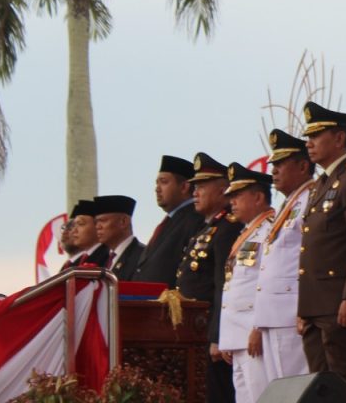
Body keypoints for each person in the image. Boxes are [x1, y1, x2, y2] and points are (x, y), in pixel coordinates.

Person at [297, 102, 346, 396]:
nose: (309, 143)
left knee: (343, 382)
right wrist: (304, 305)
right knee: (319, 386)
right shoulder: (320, 184)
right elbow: (313, 247)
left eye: (316, 136)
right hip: (315, 303)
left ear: (339, 138)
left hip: (338, 300)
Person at [176, 152, 244, 403]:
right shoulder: (208, 227)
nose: (195, 192)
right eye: (194, 186)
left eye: (202, 186)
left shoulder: (228, 227)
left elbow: (223, 285)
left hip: (210, 330)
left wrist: (218, 335)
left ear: (223, 189)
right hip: (196, 331)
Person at [253, 130, 313, 383]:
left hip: (291, 309)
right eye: (273, 165)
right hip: (273, 312)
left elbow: (310, 255)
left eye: (280, 164)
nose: (274, 171)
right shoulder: (288, 205)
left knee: (294, 386)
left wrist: (307, 307)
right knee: (277, 391)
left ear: (302, 165)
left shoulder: (311, 198)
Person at [217, 163, 277, 403]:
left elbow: (267, 281)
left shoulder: (270, 230)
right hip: (237, 334)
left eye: (238, 195)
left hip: (253, 332)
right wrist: (227, 336)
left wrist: (259, 326)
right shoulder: (247, 233)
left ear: (259, 196)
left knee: (261, 396)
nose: (232, 201)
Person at [133, 155, 206, 286]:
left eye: (164, 182)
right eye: (157, 183)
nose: (157, 188)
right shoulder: (171, 220)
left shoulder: (194, 219)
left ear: (184, 187)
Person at [92, 195, 144, 280]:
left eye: (103, 221)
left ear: (123, 221)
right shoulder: (103, 260)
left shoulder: (142, 256)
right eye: (96, 222)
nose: (97, 227)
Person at [62, 200, 109, 269]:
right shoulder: (78, 261)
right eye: (74, 225)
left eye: (81, 224)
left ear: (98, 226)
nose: (74, 231)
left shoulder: (107, 257)